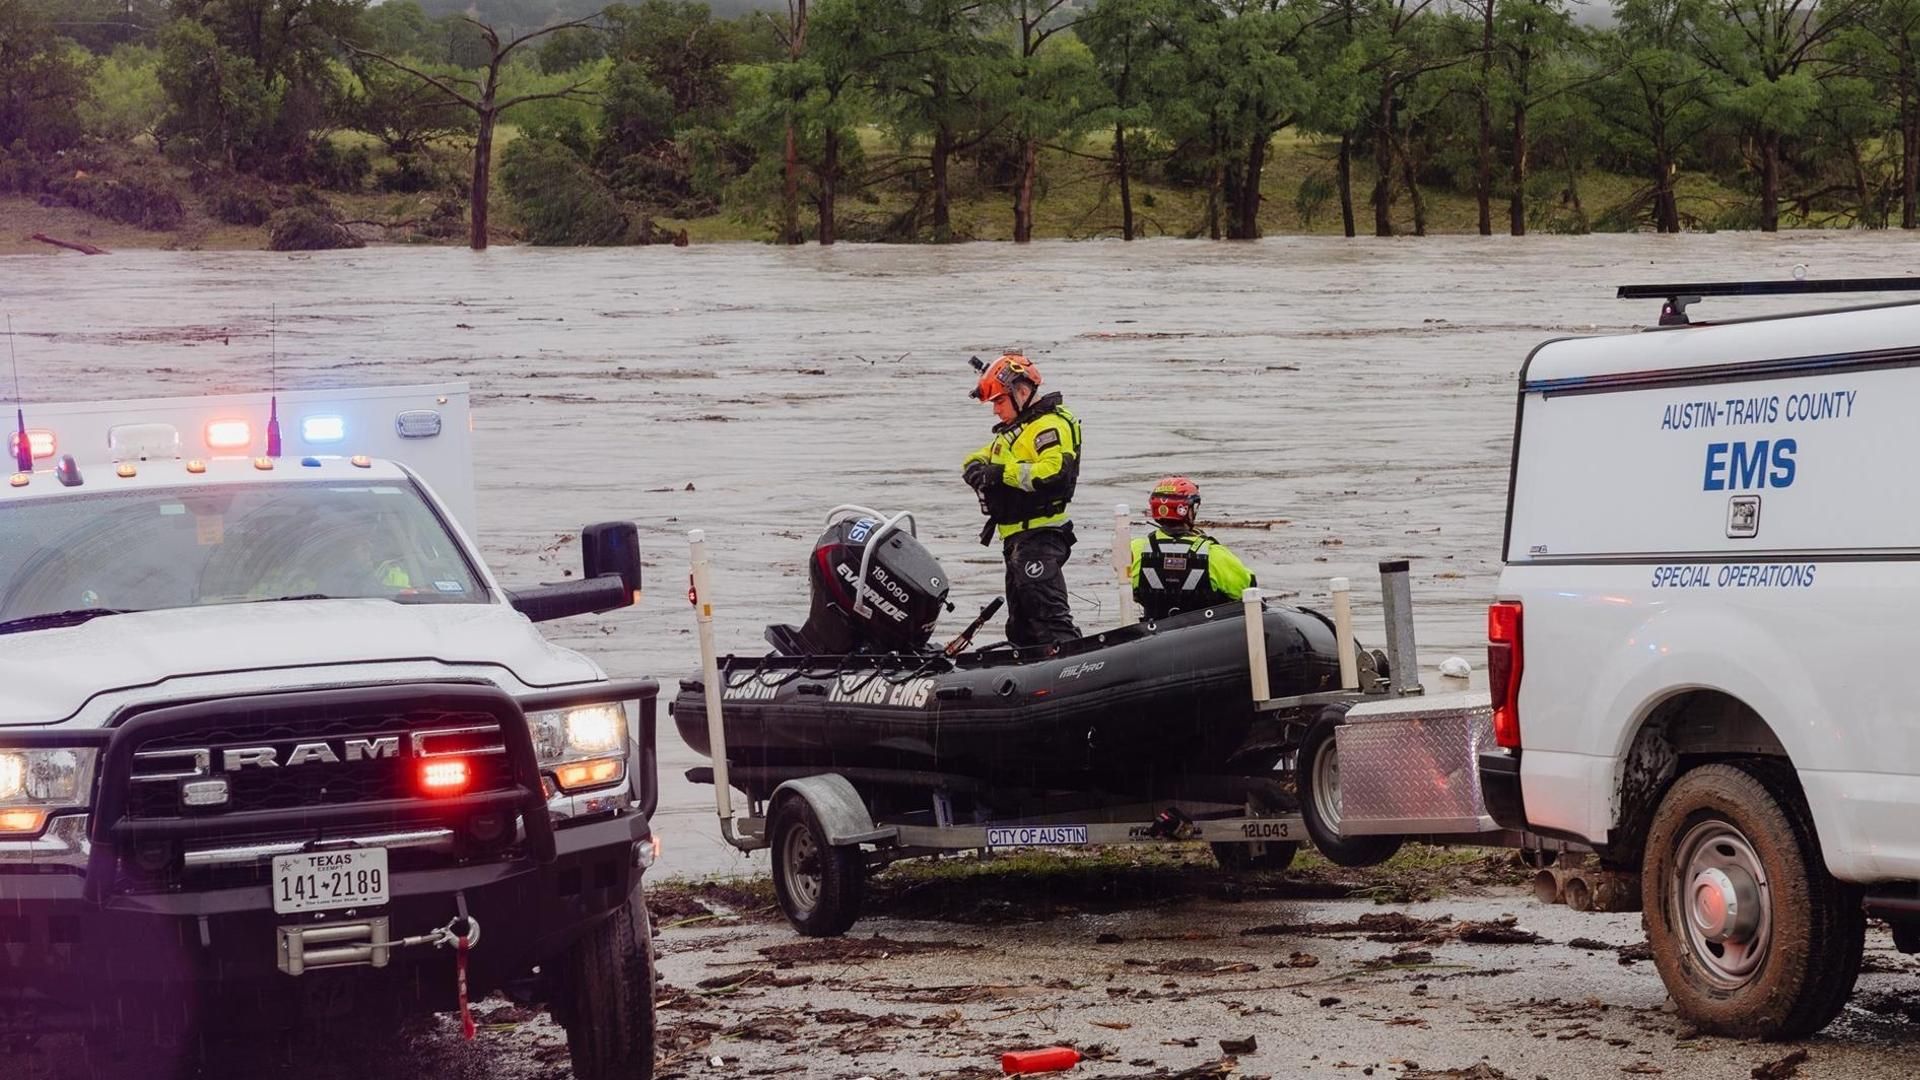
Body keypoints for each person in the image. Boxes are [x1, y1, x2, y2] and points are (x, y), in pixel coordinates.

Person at [961, 352, 1083, 648]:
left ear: (1023, 392)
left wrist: (1002, 473)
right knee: (1021, 623)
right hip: (1017, 538)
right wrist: (976, 467)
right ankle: (1031, 672)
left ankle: (1070, 666)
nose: (996, 411)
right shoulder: (1017, 430)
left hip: (1041, 537)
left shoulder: (1048, 427)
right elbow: (983, 455)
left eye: (999, 402)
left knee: (1049, 618)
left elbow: (1052, 472)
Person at [1128, 476, 1255, 619]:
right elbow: (1248, 588)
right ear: (1187, 510)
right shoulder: (1213, 553)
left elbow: (1128, 587)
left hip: (1155, 635)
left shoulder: (1136, 549)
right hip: (1209, 635)